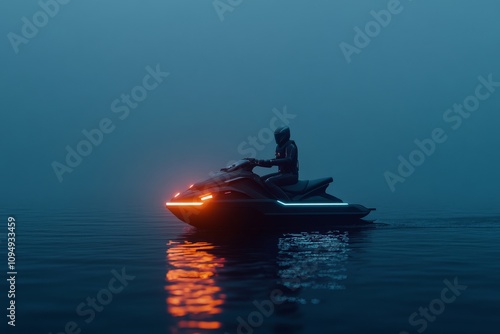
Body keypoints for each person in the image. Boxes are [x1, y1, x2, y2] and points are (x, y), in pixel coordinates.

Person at [256, 126, 299, 200]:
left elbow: (289, 160)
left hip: (291, 174)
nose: (277, 138)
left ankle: (286, 202)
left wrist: (271, 162)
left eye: (279, 136)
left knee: (269, 182)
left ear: (285, 135)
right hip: (282, 173)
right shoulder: (279, 147)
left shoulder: (290, 146)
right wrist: (258, 162)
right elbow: (277, 161)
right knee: (259, 180)